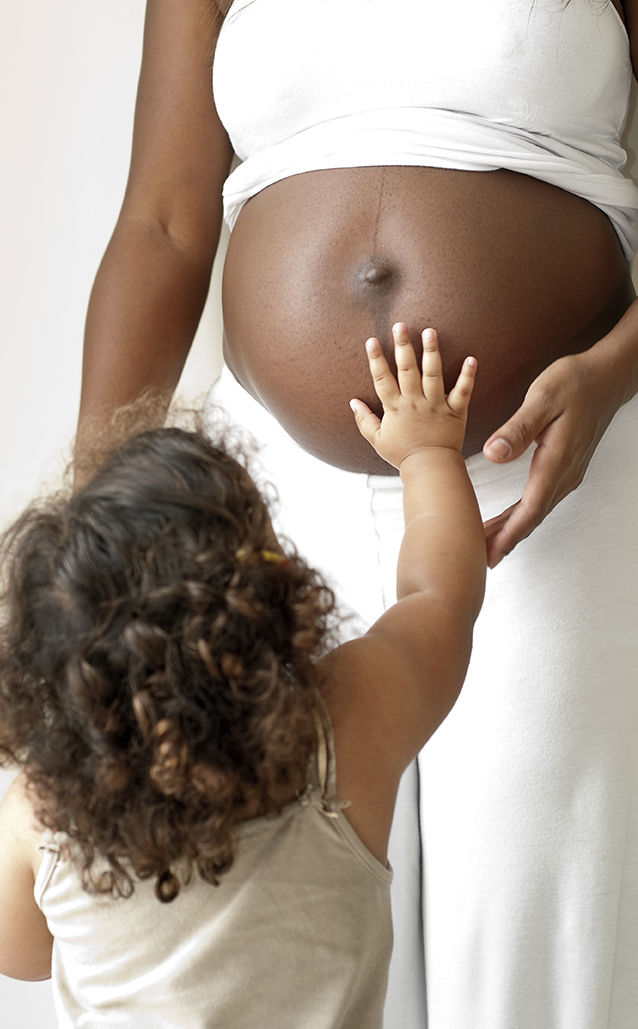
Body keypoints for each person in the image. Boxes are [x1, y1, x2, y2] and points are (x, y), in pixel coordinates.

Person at [74, 2, 638, 1026]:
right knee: (283, 920)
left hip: (546, 479)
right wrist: (91, 531)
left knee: (528, 918)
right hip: (272, 495)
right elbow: (162, 222)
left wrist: (612, 371)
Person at [0, 331, 483, 1027]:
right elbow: (439, 597)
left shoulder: (45, 812)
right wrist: (427, 455)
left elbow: (12, 951)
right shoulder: (343, 729)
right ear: (268, 597)